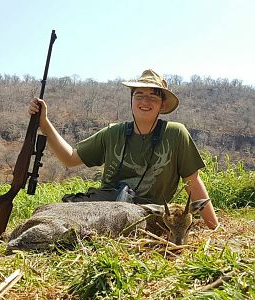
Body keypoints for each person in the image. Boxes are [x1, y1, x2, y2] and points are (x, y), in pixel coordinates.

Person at [28, 69, 219, 229]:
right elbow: (70, 158)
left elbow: (192, 182)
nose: (145, 101)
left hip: (150, 217)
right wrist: (44, 123)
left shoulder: (176, 134)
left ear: (162, 104)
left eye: (153, 96)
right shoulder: (113, 133)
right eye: (140, 95)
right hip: (106, 211)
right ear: (131, 100)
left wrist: (214, 227)